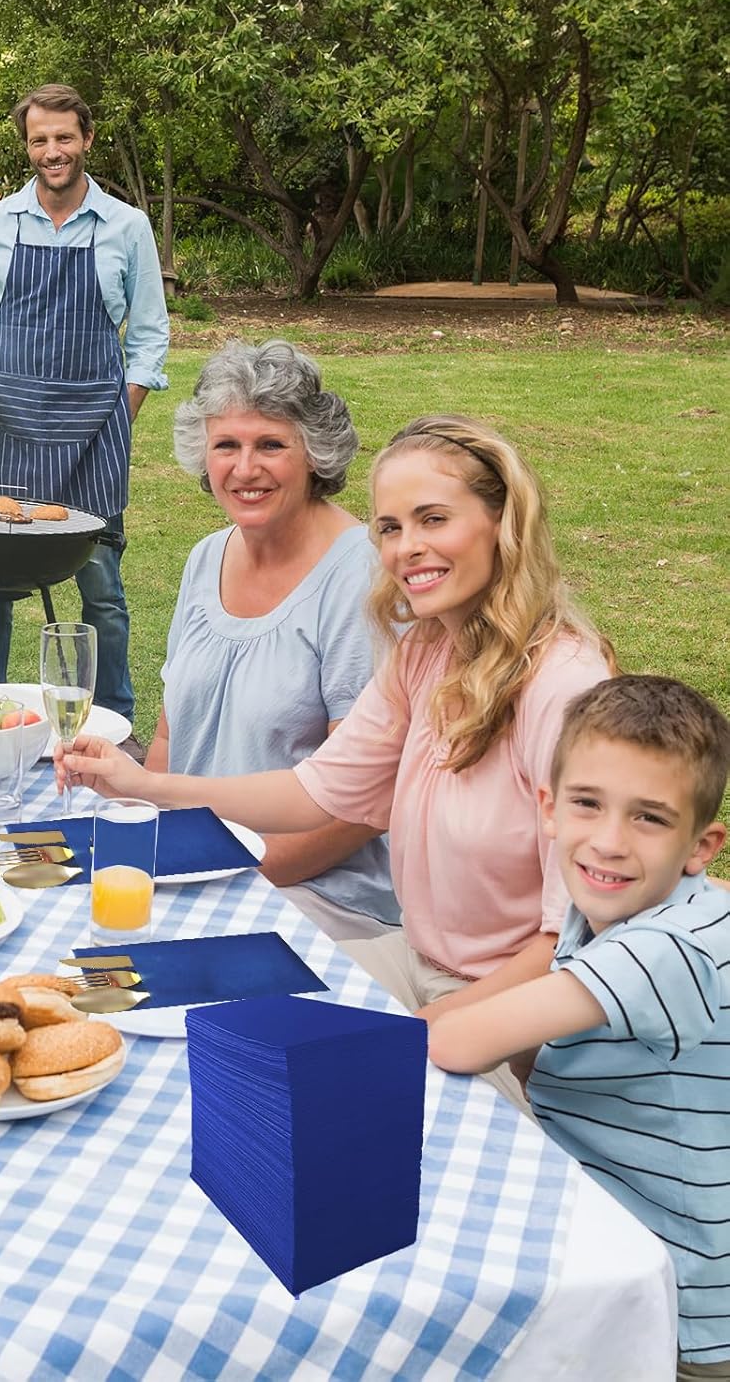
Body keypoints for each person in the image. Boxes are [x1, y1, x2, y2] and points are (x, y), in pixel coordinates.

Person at [63, 416, 615, 1103]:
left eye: (433, 519)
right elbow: (314, 792)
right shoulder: (427, 652)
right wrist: (145, 782)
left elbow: (574, 941)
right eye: (389, 528)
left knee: (329, 1095)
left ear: (503, 524)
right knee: (156, 1003)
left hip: (521, 1008)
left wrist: (429, 1023)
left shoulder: (564, 687)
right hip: (416, 959)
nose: (408, 548)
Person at [428, 675, 730, 1381]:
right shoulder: (625, 909)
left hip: (674, 1300)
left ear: (701, 843)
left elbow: (458, 1043)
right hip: (608, 1219)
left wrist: (438, 1023)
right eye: (588, 804)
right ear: (550, 808)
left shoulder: (661, 945)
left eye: (649, 818)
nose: (610, 841)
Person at [149, 339, 395, 941]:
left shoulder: (361, 577)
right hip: (194, 870)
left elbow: (364, 802)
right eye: (226, 445)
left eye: (271, 445)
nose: (245, 468)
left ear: (315, 453)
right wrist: (145, 843)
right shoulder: (207, 557)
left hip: (313, 889)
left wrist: (233, 874)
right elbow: (167, 735)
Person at [0, 84, 170, 732]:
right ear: (27, 146)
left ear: (86, 139)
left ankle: (115, 724)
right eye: (40, 139)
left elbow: (151, 335)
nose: (53, 151)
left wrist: (119, 417)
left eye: (64, 138)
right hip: (10, 425)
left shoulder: (127, 226)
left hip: (95, 433)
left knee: (101, 591)